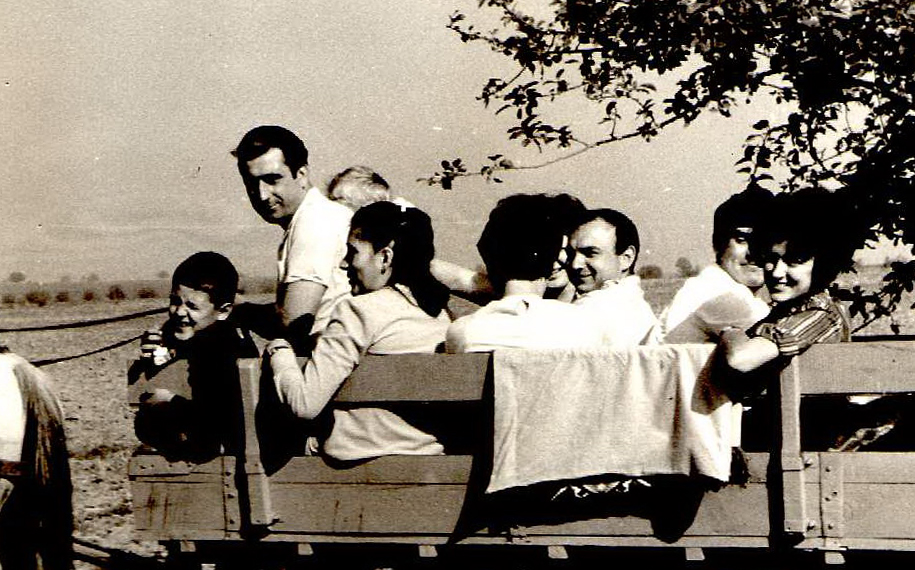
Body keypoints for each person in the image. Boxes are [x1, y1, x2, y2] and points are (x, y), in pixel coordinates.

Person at [263, 201, 452, 461]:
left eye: (352, 252)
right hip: (431, 460)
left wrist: (280, 350)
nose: (343, 264)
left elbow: (304, 404)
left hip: (362, 466)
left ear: (385, 257)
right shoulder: (440, 315)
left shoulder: (358, 311)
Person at [131, 251, 254, 462]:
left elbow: (218, 421)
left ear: (223, 311)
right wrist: (157, 350)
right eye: (175, 301)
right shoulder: (196, 335)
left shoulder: (224, 346)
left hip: (225, 445)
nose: (179, 312)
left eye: (192, 306)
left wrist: (168, 402)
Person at [717, 188, 855, 377]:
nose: (776, 272)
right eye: (771, 259)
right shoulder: (789, 311)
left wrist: (730, 332)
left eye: (794, 261)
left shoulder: (820, 316)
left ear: (824, 265)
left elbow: (740, 359)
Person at [443, 192, 604, 353]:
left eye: (567, 249)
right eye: (552, 247)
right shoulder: (586, 327)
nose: (558, 257)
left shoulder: (469, 330)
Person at [232, 125, 351, 340]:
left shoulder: (314, 222)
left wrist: (234, 310)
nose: (262, 194)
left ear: (302, 175)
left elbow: (294, 321)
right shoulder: (319, 214)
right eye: (251, 183)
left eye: (272, 180)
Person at [660, 186, 774, 346]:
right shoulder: (719, 293)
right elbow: (784, 337)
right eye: (741, 240)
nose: (753, 253)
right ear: (718, 245)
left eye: (764, 241)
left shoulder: (715, 285)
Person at [566, 208, 661, 346]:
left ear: (626, 258)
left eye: (591, 253)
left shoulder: (594, 306)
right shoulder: (635, 306)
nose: (575, 264)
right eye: (570, 254)